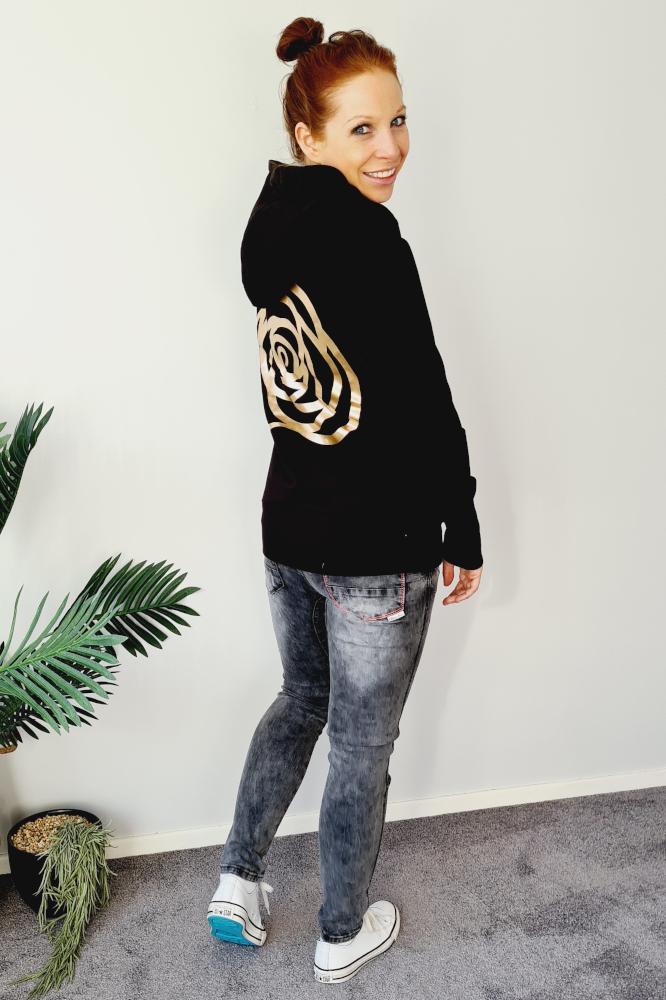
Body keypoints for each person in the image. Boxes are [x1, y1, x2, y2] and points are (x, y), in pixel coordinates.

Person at [207, 17, 484, 983]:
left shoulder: (268, 225)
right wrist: (462, 523)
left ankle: (238, 878)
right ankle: (339, 930)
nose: (390, 147)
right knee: (362, 743)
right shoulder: (373, 239)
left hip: (290, 527)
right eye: (361, 128)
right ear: (309, 135)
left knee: (300, 700)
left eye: (398, 120)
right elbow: (427, 395)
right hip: (378, 543)